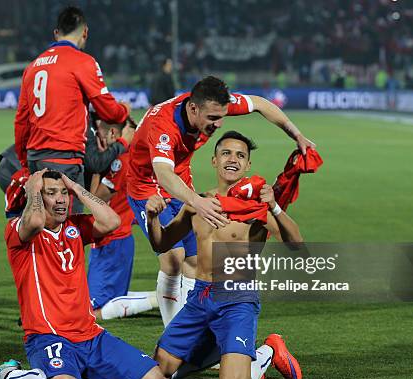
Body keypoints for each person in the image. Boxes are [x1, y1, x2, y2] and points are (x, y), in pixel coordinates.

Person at [126, 75, 315, 327]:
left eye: (222, 116)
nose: (219, 123)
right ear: (193, 109)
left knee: (195, 260)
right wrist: (197, 201)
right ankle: (173, 336)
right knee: (172, 259)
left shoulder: (210, 104)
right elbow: (162, 174)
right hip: (146, 187)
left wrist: (297, 135)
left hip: (179, 181)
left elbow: (259, 103)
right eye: (213, 118)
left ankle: (193, 332)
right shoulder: (164, 126)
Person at [0, 170, 164, 379]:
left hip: (90, 335)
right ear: (36, 197)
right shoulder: (19, 231)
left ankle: (82, 369)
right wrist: (32, 190)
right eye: (51, 193)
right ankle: (5, 376)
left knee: (153, 378)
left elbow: (112, 221)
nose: (61, 199)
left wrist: (77, 189)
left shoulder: (75, 228)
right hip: (47, 336)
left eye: (63, 193)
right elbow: (36, 220)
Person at [145, 131, 304, 379]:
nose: (233, 159)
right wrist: (152, 218)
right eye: (226, 153)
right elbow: (161, 243)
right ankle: (222, 349)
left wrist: (274, 206)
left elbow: (297, 245)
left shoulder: (256, 207)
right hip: (199, 298)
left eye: (241, 155)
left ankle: (268, 351)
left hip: (236, 299)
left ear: (248, 165)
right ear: (214, 160)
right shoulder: (198, 203)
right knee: (159, 370)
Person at [14, 6, 131, 212]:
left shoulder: (33, 67)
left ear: (56, 33)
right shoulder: (83, 62)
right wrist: (124, 111)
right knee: (68, 231)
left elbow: (21, 122)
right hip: (64, 159)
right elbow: (109, 111)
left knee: (43, 229)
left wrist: (25, 161)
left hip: (35, 158)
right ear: (85, 32)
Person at [88, 120, 157, 319]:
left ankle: (163, 298)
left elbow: (96, 198)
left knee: (93, 311)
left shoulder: (120, 162)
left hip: (113, 242)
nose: (95, 140)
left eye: (98, 133)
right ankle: (165, 295)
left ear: (112, 133)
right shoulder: (126, 160)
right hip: (112, 241)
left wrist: (94, 168)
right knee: (103, 300)